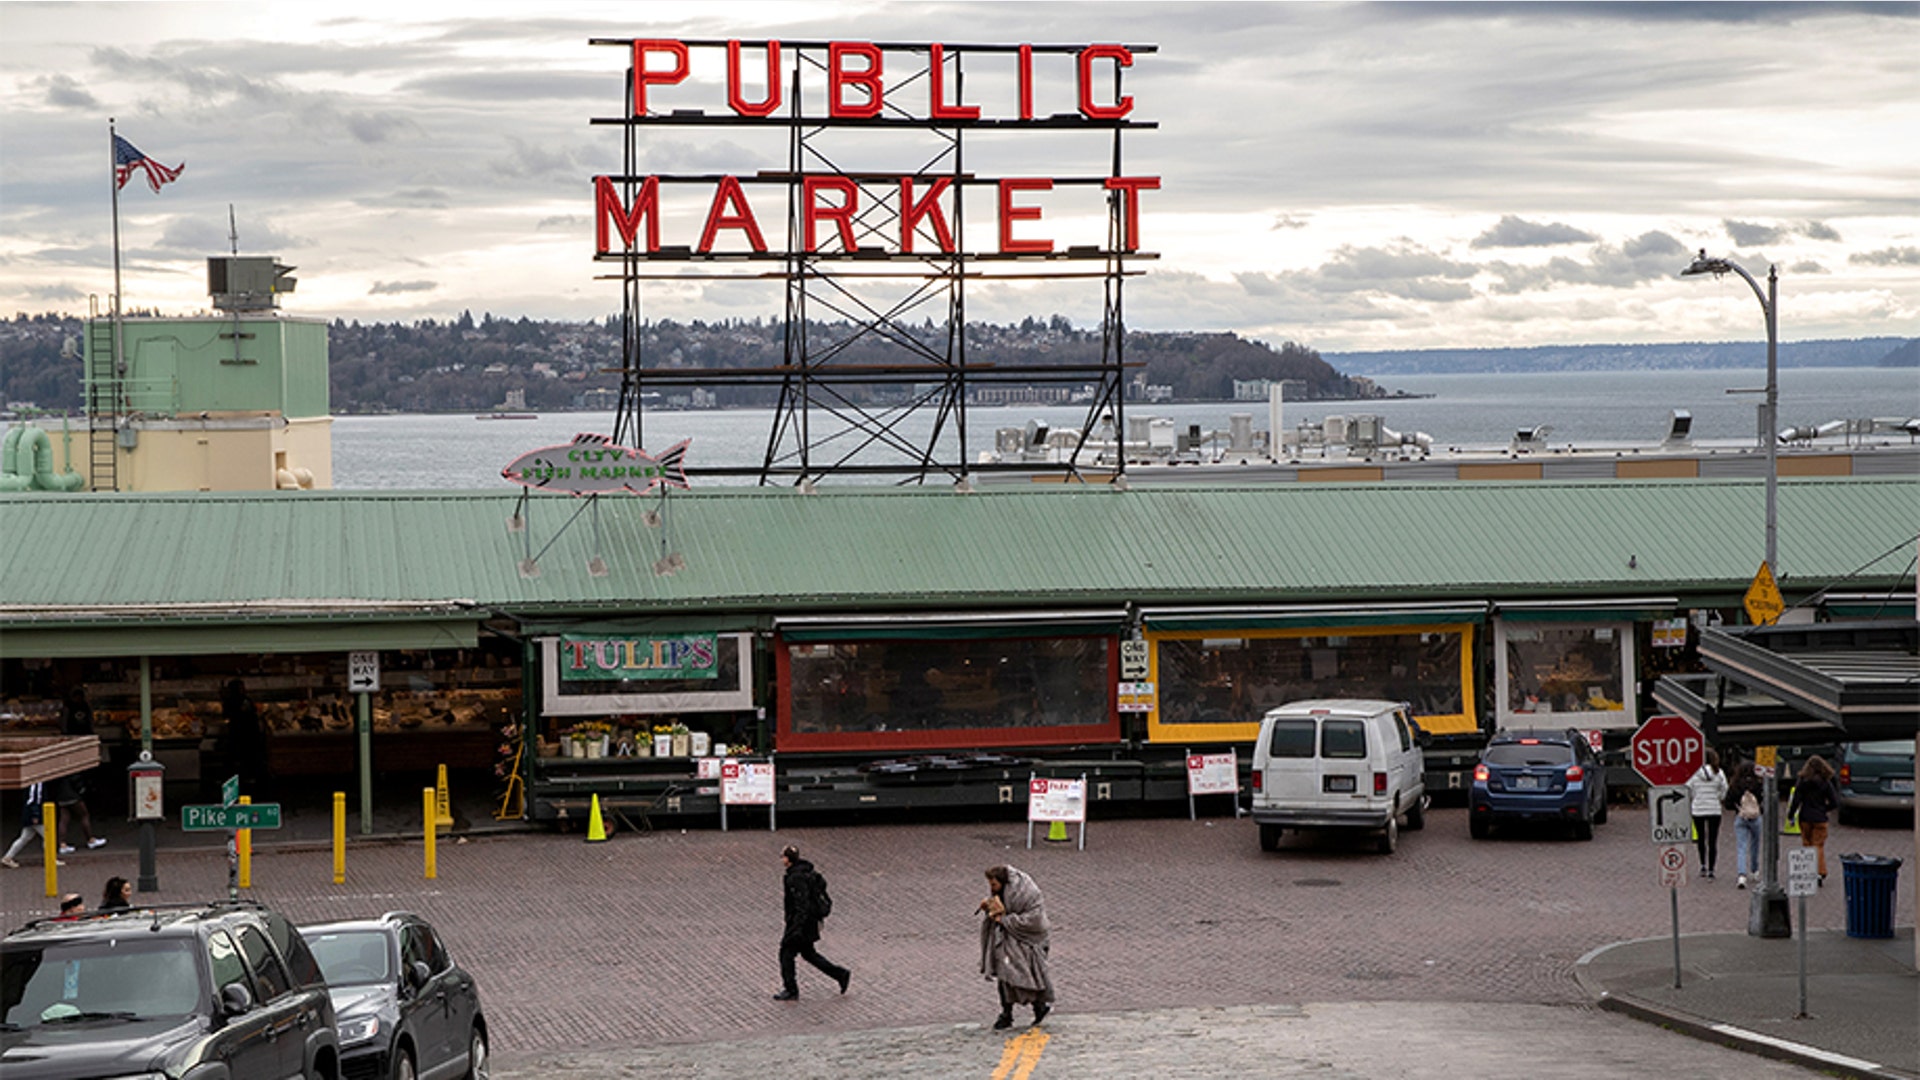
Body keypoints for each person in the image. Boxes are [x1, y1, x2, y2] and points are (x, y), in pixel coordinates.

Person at [978, 864, 1054, 1029]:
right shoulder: (1005, 893)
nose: (992, 889)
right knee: (1005, 975)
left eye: (994, 885)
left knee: (1028, 974)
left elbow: (1035, 920)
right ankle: (1007, 1013)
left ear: (1003, 882)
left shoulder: (1025, 894)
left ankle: (1038, 1006)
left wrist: (1006, 921)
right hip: (1008, 940)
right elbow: (1001, 909)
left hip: (1027, 942)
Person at [773, 844, 849, 1001]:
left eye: (783, 857)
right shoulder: (807, 872)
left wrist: (795, 928)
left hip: (801, 924)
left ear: (788, 859)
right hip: (809, 922)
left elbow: (801, 904)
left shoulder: (795, 878)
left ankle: (791, 989)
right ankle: (840, 974)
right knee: (809, 954)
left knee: (786, 953)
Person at [56, 687, 107, 854]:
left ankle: (62, 844)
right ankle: (90, 840)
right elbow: (75, 777)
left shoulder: (59, 761)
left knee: (64, 817)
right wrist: (82, 789)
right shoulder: (73, 760)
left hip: (61, 793)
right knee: (84, 814)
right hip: (72, 793)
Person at [1788, 755, 1840, 885]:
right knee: (1819, 845)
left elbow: (1796, 800)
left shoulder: (1803, 780)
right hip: (1820, 817)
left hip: (1805, 817)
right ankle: (1820, 871)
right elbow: (1834, 802)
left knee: (1807, 844)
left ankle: (1808, 871)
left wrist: (1791, 815)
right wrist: (1824, 809)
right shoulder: (1825, 782)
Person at [1723, 758, 1765, 889]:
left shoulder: (1735, 784)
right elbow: (1764, 799)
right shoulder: (1758, 784)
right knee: (1755, 844)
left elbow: (1727, 803)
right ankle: (1754, 870)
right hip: (1756, 818)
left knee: (1741, 846)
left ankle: (1742, 875)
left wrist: (1738, 808)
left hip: (1741, 817)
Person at [1685, 748, 1728, 879]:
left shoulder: (1693, 774)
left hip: (1698, 809)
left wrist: (1696, 799)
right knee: (1713, 840)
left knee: (1701, 838)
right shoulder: (1719, 773)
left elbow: (1688, 789)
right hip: (1714, 809)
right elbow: (1724, 789)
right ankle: (1711, 869)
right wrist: (1718, 798)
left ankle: (1702, 864)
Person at [1, 782, 64, 869]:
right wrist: (35, 814)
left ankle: (8, 857)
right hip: (34, 815)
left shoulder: (33, 783)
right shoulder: (37, 784)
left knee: (24, 838)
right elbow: (33, 799)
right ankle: (50, 859)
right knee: (48, 836)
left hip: (29, 814)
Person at [222, 679, 268, 792]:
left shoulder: (230, 700)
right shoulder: (244, 700)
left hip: (239, 732)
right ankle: (249, 777)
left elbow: (227, 714)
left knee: (240, 756)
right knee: (248, 756)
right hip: (248, 732)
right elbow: (252, 712)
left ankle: (240, 778)